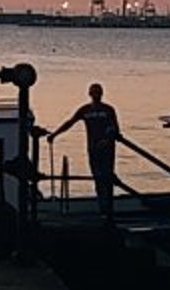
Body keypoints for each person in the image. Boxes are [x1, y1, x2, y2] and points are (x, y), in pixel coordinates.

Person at [46, 82, 121, 219]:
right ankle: (102, 208)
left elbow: (115, 129)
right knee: (98, 178)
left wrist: (107, 140)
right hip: (92, 149)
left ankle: (108, 210)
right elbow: (70, 122)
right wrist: (55, 134)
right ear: (90, 94)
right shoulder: (85, 110)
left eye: (98, 92)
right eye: (94, 92)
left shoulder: (109, 110)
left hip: (107, 150)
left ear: (102, 94)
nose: (96, 95)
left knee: (107, 177)